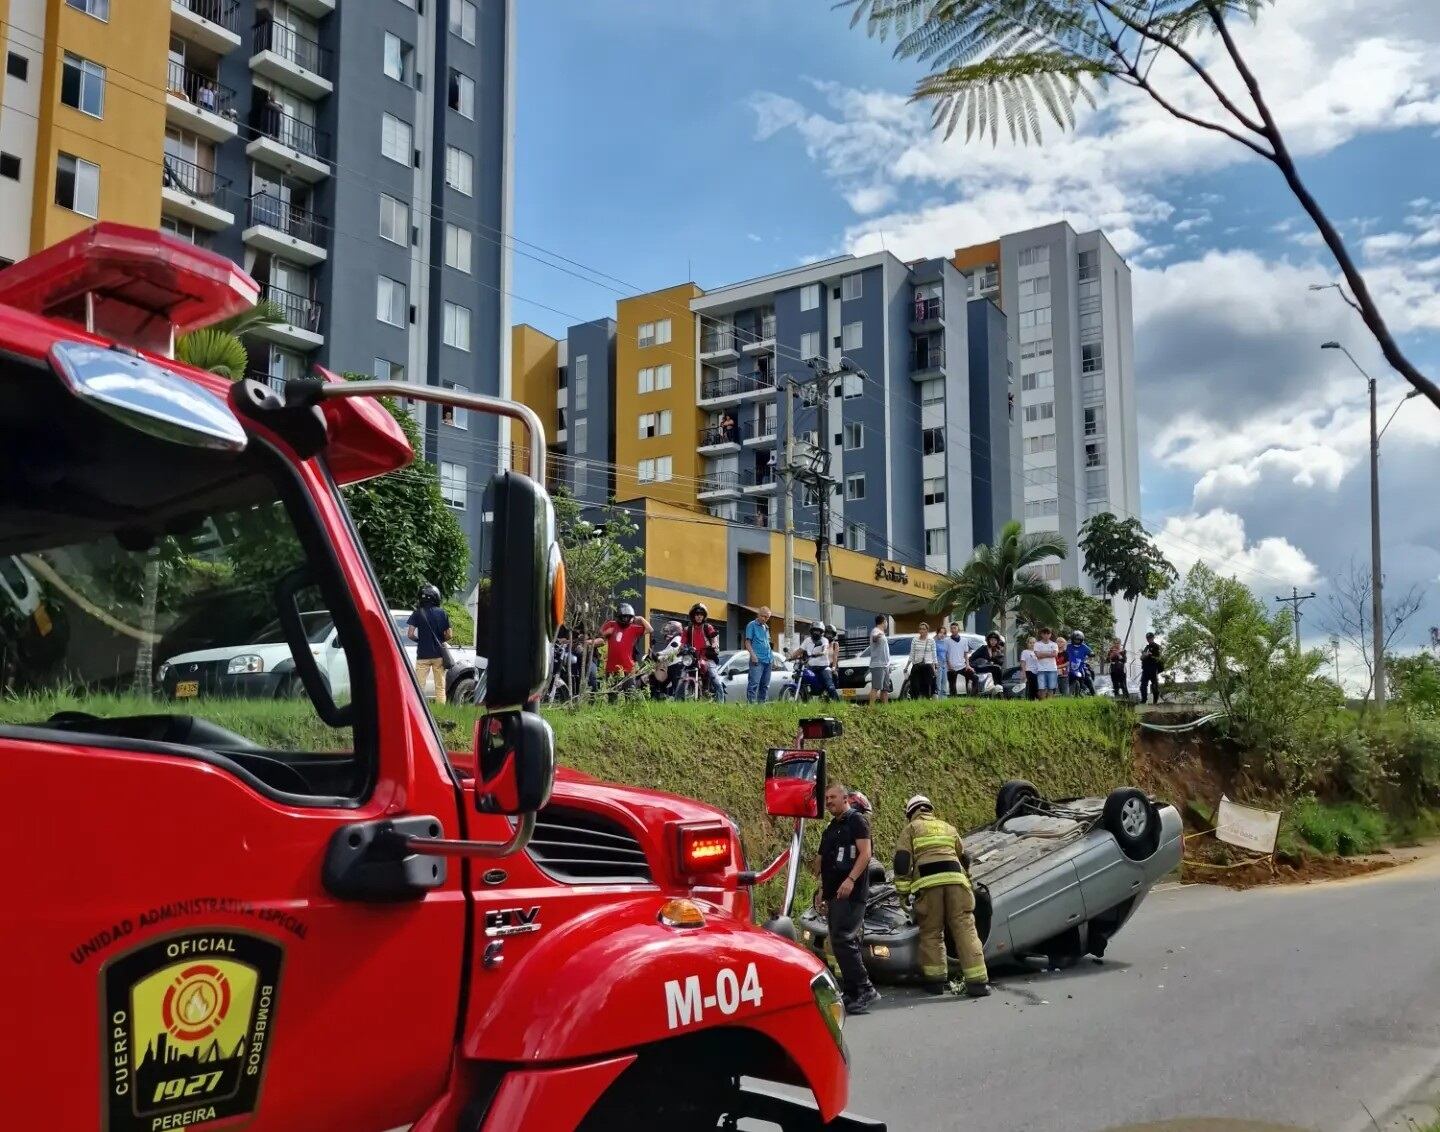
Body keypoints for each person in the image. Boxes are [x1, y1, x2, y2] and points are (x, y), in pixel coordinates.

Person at [893, 795, 989, 997]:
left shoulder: (911, 828)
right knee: (965, 930)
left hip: (929, 886)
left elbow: (902, 861)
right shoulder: (948, 827)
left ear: (910, 813)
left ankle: (935, 982)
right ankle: (978, 982)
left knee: (932, 932)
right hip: (957, 884)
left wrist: (903, 892)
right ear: (930, 809)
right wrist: (967, 878)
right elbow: (964, 857)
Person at [814, 781, 879, 1013]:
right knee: (838, 940)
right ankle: (852, 992)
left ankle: (865, 989)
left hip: (852, 893)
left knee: (844, 938)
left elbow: (866, 853)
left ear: (845, 799)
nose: (829, 801)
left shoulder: (856, 821)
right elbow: (823, 862)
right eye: (826, 798)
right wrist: (822, 889)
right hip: (834, 893)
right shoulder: (831, 828)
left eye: (833, 797)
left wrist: (850, 880)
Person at [407, 583, 452, 704]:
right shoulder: (442, 613)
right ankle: (441, 711)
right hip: (438, 655)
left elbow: (410, 634)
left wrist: (420, 641)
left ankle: (420, 710)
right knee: (440, 687)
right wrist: (440, 640)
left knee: (419, 687)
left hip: (422, 656)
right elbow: (449, 635)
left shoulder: (417, 613)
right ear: (436, 597)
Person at [599, 602, 651, 691]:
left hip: (628, 667)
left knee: (630, 692)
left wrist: (641, 619)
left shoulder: (634, 628)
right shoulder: (611, 624)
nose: (626, 619)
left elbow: (650, 629)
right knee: (612, 694)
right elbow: (600, 634)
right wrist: (606, 632)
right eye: (624, 616)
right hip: (612, 667)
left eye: (629, 617)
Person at [679, 602, 724, 699]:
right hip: (692, 658)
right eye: (697, 614)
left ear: (704, 616)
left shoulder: (708, 627)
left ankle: (720, 701)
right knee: (681, 679)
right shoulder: (687, 629)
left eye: (701, 614)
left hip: (707, 657)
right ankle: (677, 702)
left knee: (715, 679)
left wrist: (714, 644)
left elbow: (714, 638)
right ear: (693, 616)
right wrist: (681, 649)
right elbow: (682, 644)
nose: (699, 616)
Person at [790, 622, 840, 701]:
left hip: (823, 668)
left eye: (818, 631)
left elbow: (825, 649)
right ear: (811, 631)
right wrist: (790, 657)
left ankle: (838, 704)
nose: (816, 633)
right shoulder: (807, 640)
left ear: (821, 632)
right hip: (811, 667)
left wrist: (822, 653)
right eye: (814, 631)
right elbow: (800, 650)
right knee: (801, 676)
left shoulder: (824, 640)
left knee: (829, 685)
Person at [743, 605, 774, 704]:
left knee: (765, 685)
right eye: (763, 616)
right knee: (754, 684)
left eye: (767, 617)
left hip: (768, 660)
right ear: (758, 615)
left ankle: (762, 705)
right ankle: (751, 706)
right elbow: (747, 642)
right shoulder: (751, 625)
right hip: (757, 660)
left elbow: (767, 643)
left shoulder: (766, 627)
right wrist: (753, 655)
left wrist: (772, 658)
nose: (765, 619)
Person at [904, 623, 939, 699]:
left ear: (927, 630)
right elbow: (912, 654)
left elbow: (934, 655)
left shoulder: (931, 640)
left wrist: (936, 667)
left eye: (923, 629)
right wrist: (906, 666)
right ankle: (916, 702)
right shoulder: (915, 640)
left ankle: (925, 703)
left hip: (927, 667)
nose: (921, 630)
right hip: (917, 666)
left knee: (926, 687)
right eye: (920, 629)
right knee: (915, 686)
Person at [866, 615, 891, 706]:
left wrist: (889, 664)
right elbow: (874, 638)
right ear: (884, 621)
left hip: (885, 665)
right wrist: (877, 636)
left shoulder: (882, 632)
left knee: (885, 690)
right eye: (886, 622)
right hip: (878, 665)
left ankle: (885, 709)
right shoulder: (875, 631)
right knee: (876, 688)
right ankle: (871, 708)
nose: (887, 624)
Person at [1032, 626, 1060, 699]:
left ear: (1050, 634)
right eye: (1044, 633)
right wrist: (1049, 653)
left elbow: (1055, 654)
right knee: (1042, 688)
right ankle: (1043, 704)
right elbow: (1038, 655)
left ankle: (1049, 703)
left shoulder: (1054, 644)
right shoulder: (1037, 644)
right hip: (1041, 669)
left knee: (1051, 688)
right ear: (1041, 634)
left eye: (1048, 633)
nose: (1046, 635)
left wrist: (1042, 653)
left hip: (1052, 669)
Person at [1066, 631, 1094, 696]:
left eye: (1079, 639)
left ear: (1081, 640)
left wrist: (1091, 654)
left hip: (1081, 666)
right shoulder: (1068, 646)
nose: (1077, 641)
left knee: (1088, 678)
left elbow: (1091, 651)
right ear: (1072, 639)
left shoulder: (1084, 646)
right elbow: (1061, 650)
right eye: (1075, 639)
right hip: (1069, 667)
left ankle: (1094, 694)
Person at [944, 623, 969, 697]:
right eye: (951, 628)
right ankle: (953, 700)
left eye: (954, 628)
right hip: (951, 667)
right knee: (952, 686)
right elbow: (945, 654)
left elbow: (965, 654)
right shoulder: (946, 640)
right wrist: (949, 665)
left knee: (974, 677)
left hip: (962, 666)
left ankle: (972, 697)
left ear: (958, 629)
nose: (953, 630)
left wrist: (967, 664)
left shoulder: (964, 640)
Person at [1140, 632, 1164, 704]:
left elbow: (1160, 657)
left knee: (1154, 685)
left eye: (1150, 638)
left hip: (1153, 668)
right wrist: (1145, 655)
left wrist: (1150, 655)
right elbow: (1141, 657)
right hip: (1145, 669)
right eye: (1148, 638)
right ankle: (1144, 699)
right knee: (1143, 685)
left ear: (1153, 638)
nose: (1149, 639)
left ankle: (1155, 701)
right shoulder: (1146, 647)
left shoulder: (1157, 647)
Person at [1020, 635, 1039, 701]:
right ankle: (1031, 700)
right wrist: (1023, 673)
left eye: (1033, 643)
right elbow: (1023, 663)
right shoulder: (1025, 652)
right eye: (1030, 643)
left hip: (1038, 672)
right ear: (1027, 643)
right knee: (1032, 687)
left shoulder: (1038, 652)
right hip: (1029, 671)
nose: (1032, 644)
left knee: (1038, 688)